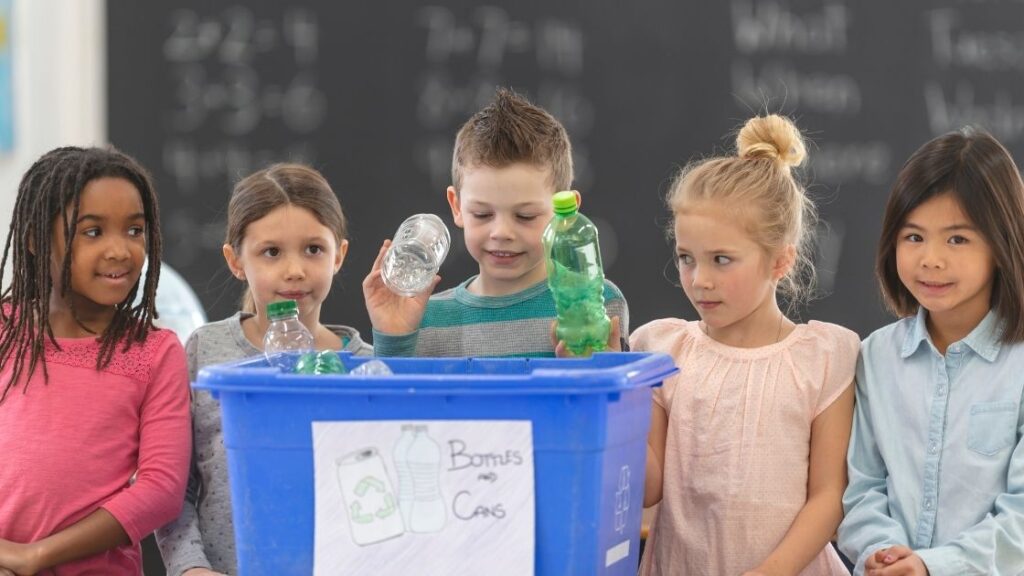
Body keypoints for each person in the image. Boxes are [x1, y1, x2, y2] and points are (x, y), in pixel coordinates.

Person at [633, 115, 858, 575]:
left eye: (722, 260)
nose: (700, 280)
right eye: (686, 259)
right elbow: (645, 488)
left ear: (780, 260)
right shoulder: (660, 350)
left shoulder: (823, 357)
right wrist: (593, 382)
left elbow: (828, 497)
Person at [154, 163, 372, 576]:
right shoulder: (205, 350)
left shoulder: (364, 363)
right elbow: (174, 485)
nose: (294, 270)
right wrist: (190, 567)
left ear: (339, 255)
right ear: (236, 261)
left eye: (313, 249)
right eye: (271, 252)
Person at [837, 128, 1024, 575]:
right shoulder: (874, 358)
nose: (931, 259)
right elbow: (861, 489)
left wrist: (933, 566)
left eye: (957, 239)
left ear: (1001, 246)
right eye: (914, 237)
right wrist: (884, 555)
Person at [0, 146, 191, 574]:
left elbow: (161, 489)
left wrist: (37, 556)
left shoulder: (155, 354)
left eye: (135, 230)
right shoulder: (5, 331)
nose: (119, 250)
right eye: (92, 232)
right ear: (34, 238)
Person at [365, 88, 627, 357]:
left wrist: (595, 373)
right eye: (482, 214)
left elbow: (623, 399)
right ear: (456, 206)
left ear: (565, 214)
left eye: (525, 216)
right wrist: (394, 338)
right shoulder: (425, 318)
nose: (501, 232)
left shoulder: (592, 303)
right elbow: (399, 399)